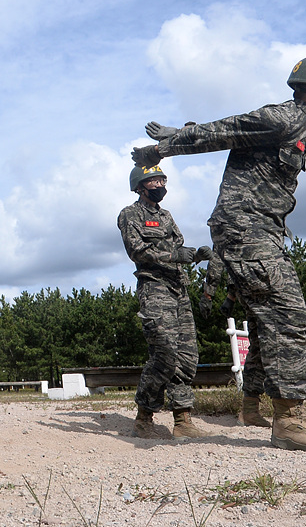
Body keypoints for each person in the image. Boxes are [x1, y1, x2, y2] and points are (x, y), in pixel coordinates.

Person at [134, 55, 306, 453]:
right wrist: (161, 149)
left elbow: (225, 130)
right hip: (246, 228)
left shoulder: (302, 126)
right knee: (287, 316)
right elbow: (224, 131)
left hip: (262, 229)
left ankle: (283, 411)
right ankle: (289, 419)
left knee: (279, 318)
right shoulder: (285, 118)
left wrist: (177, 132)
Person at [118, 164, 213, 439]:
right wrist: (177, 256)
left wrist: (195, 254)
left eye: (162, 180)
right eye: (154, 181)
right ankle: (144, 416)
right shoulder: (129, 214)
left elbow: (178, 247)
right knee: (164, 353)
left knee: (186, 355)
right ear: (140, 186)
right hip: (154, 289)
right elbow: (138, 250)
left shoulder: (167, 216)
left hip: (179, 289)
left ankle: (183, 420)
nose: (160, 185)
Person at [201, 252, 271, 428]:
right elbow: (220, 255)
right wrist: (209, 294)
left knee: (260, 343)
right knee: (271, 340)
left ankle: (252, 408)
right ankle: (286, 411)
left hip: (266, 281)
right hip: (255, 285)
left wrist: (229, 297)